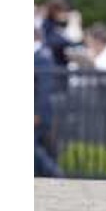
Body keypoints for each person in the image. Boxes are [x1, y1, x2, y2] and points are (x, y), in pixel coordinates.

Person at [34, 28, 63, 177]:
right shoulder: (39, 55)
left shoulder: (42, 56)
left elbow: (45, 89)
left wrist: (37, 113)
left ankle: (56, 174)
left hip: (40, 112)